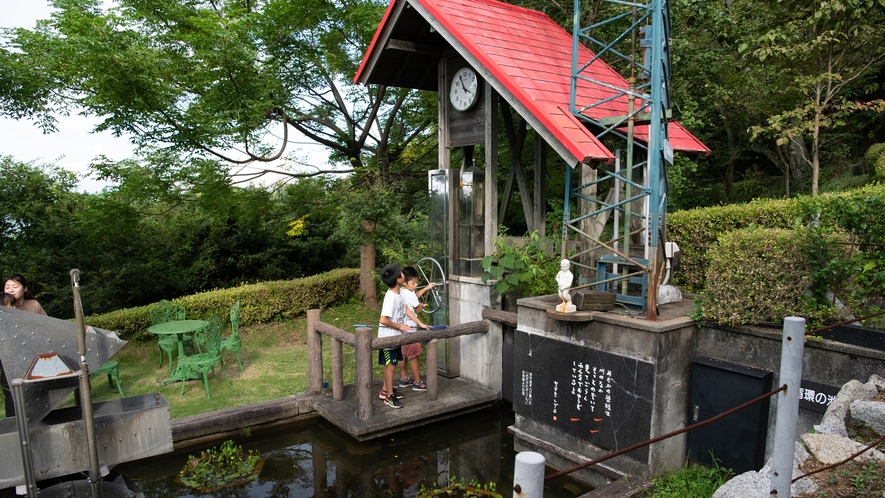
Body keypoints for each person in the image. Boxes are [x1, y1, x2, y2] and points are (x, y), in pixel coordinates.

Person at [377, 263, 411, 409]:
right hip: (388, 339)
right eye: (401, 273)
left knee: (391, 365)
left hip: (395, 337)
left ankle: (385, 390)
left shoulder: (399, 293)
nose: (403, 273)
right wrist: (400, 326)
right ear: (398, 279)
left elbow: (406, 309)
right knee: (390, 367)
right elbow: (383, 319)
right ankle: (389, 396)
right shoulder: (390, 296)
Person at [398, 266, 435, 392]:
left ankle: (404, 378)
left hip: (401, 329)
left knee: (403, 353)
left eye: (417, 283)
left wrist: (426, 288)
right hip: (411, 329)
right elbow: (417, 308)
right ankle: (417, 382)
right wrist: (421, 306)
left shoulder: (402, 291)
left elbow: (415, 297)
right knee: (414, 355)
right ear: (405, 282)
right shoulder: (410, 294)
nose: (415, 285)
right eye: (413, 283)